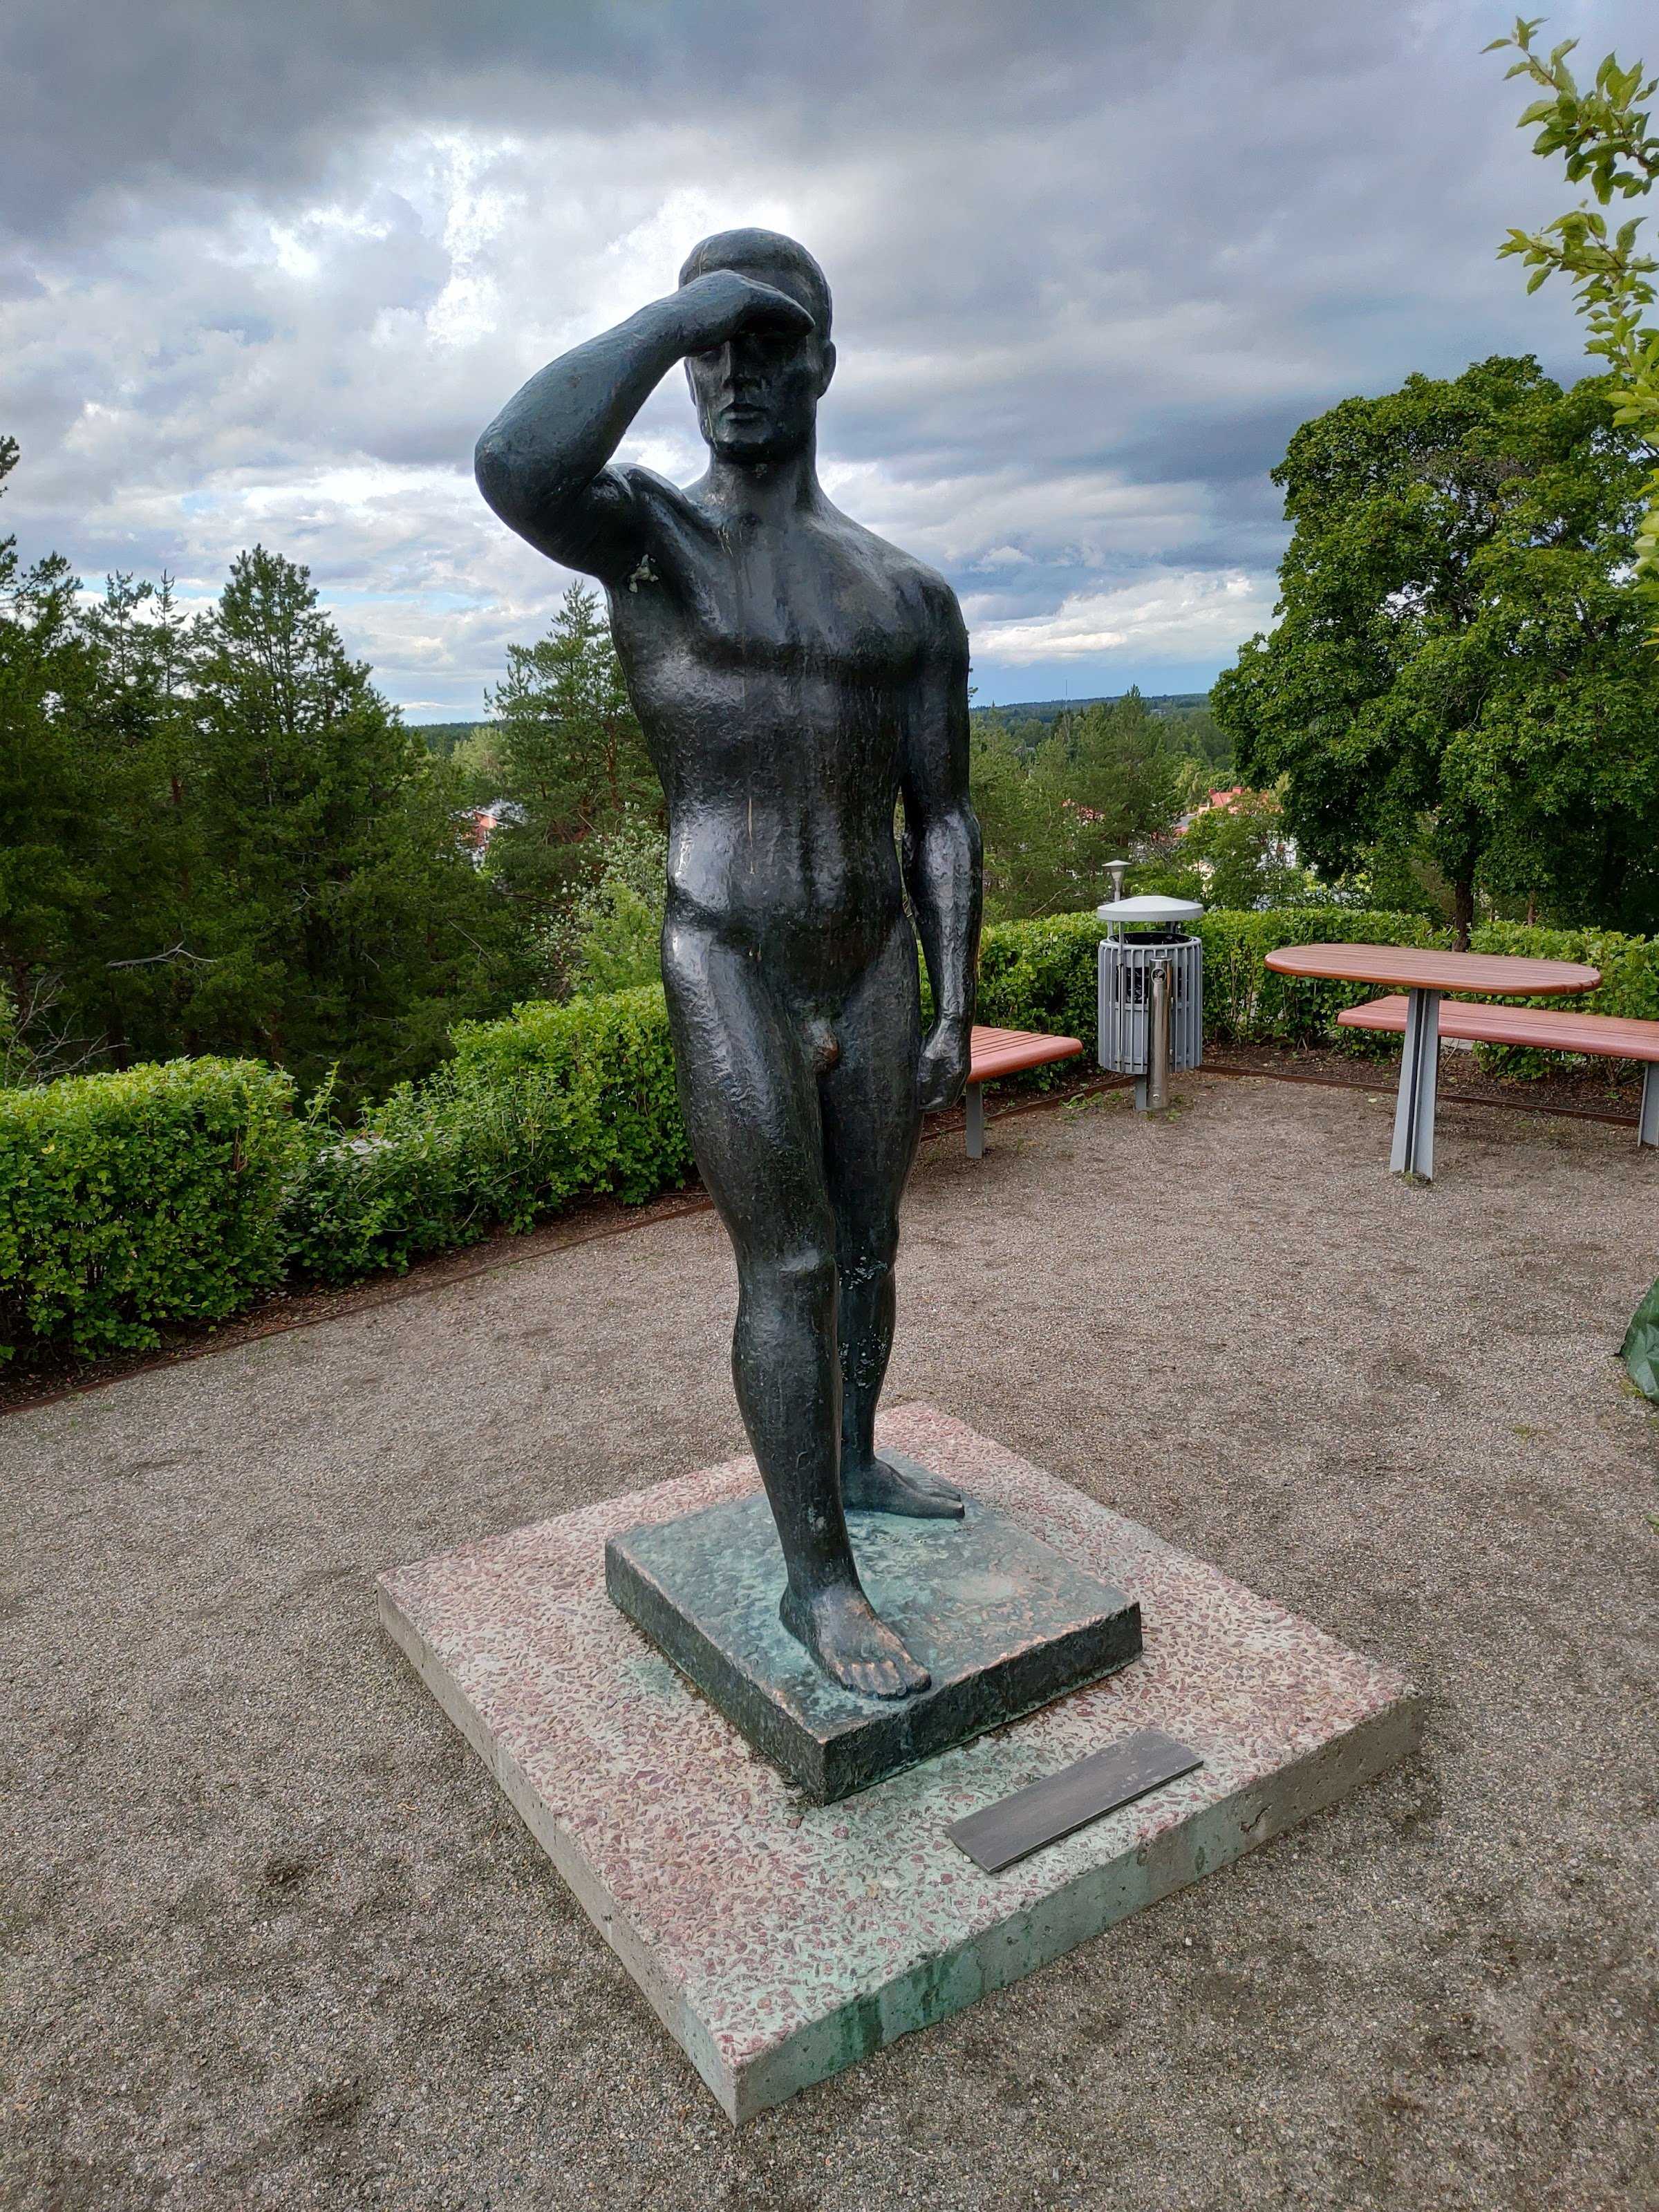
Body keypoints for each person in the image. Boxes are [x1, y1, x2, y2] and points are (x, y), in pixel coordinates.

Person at [475, 229, 982, 1698]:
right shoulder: (644, 534)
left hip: (872, 950)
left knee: (875, 1247)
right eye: (717, 351)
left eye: (773, 343)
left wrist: (958, 996)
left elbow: (940, 816)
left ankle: (860, 1462)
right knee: (798, 1259)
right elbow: (515, 461)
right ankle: (817, 1579)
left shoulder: (902, 591)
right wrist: (687, 306)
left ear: (827, 363)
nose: (738, 374)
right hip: (730, 950)